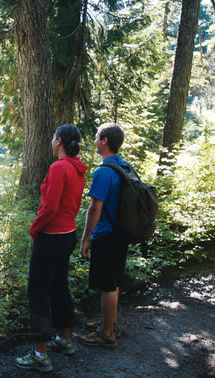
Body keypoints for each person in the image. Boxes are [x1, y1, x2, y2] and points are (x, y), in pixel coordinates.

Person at [14, 124, 87, 373]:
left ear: (58, 142)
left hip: (51, 237)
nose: (51, 140)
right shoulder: (78, 168)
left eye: (53, 137)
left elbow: (50, 207)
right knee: (59, 287)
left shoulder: (59, 168)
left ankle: (40, 355)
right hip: (67, 235)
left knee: (38, 293)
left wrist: (35, 230)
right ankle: (64, 340)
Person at [78, 123, 129, 349]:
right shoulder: (125, 167)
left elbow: (95, 209)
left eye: (97, 136)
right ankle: (111, 324)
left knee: (107, 285)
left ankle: (106, 333)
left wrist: (86, 238)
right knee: (114, 281)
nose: (95, 140)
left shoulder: (103, 171)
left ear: (105, 140)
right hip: (122, 233)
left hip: (106, 235)